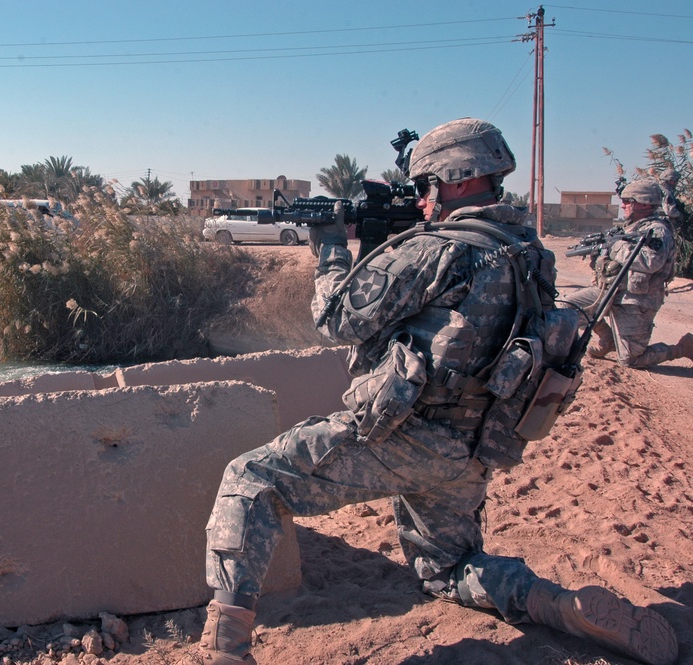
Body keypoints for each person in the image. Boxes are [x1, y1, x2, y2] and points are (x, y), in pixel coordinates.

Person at [198, 118, 679, 665]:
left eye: (426, 185)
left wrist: (331, 249)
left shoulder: (439, 250)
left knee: (251, 479)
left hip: (406, 436)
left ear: (454, 178)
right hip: (475, 448)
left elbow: (337, 319)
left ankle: (226, 649)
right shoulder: (529, 250)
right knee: (446, 571)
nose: (422, 200)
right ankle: (555, 604)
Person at [563, 179, 693, 368]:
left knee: (630, 360)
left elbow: (651, 262)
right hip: (608, 291)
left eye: (627, 201)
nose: (622, 205)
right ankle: (608, 340)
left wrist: (615, 247)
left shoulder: (658, 231)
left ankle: (682, 348)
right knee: (566, 309)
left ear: (645, 203)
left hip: (636, 299)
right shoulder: (629, 228)